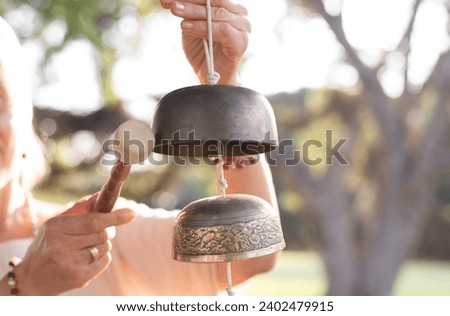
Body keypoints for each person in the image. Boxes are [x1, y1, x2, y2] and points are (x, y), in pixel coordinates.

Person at [0, 0, 280, 295]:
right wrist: (24, 284)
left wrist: (225, 92)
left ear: (25, 109)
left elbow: (249, 252)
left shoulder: (100, 232)